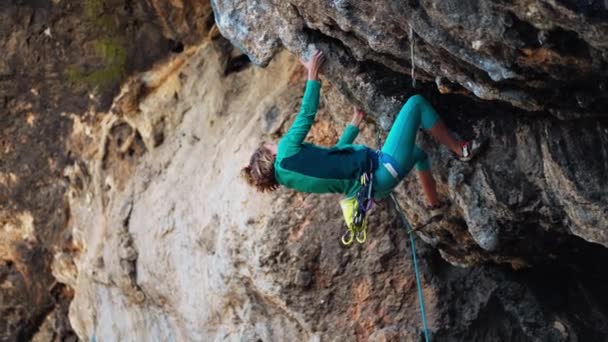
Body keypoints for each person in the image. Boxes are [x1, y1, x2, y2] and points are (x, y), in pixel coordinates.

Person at [242, 50, 482, 218]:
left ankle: (434, 204)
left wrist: (355, 123)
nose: (274, 143)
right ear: (268, 155)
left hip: (376, 189)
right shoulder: (285, 152)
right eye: (269, 146)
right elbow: (306, 115)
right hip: (380, 169)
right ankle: (462, 149)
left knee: (419, 155)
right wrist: (313, 74)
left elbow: (334, 155)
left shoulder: (291, 178)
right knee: (416, 104)